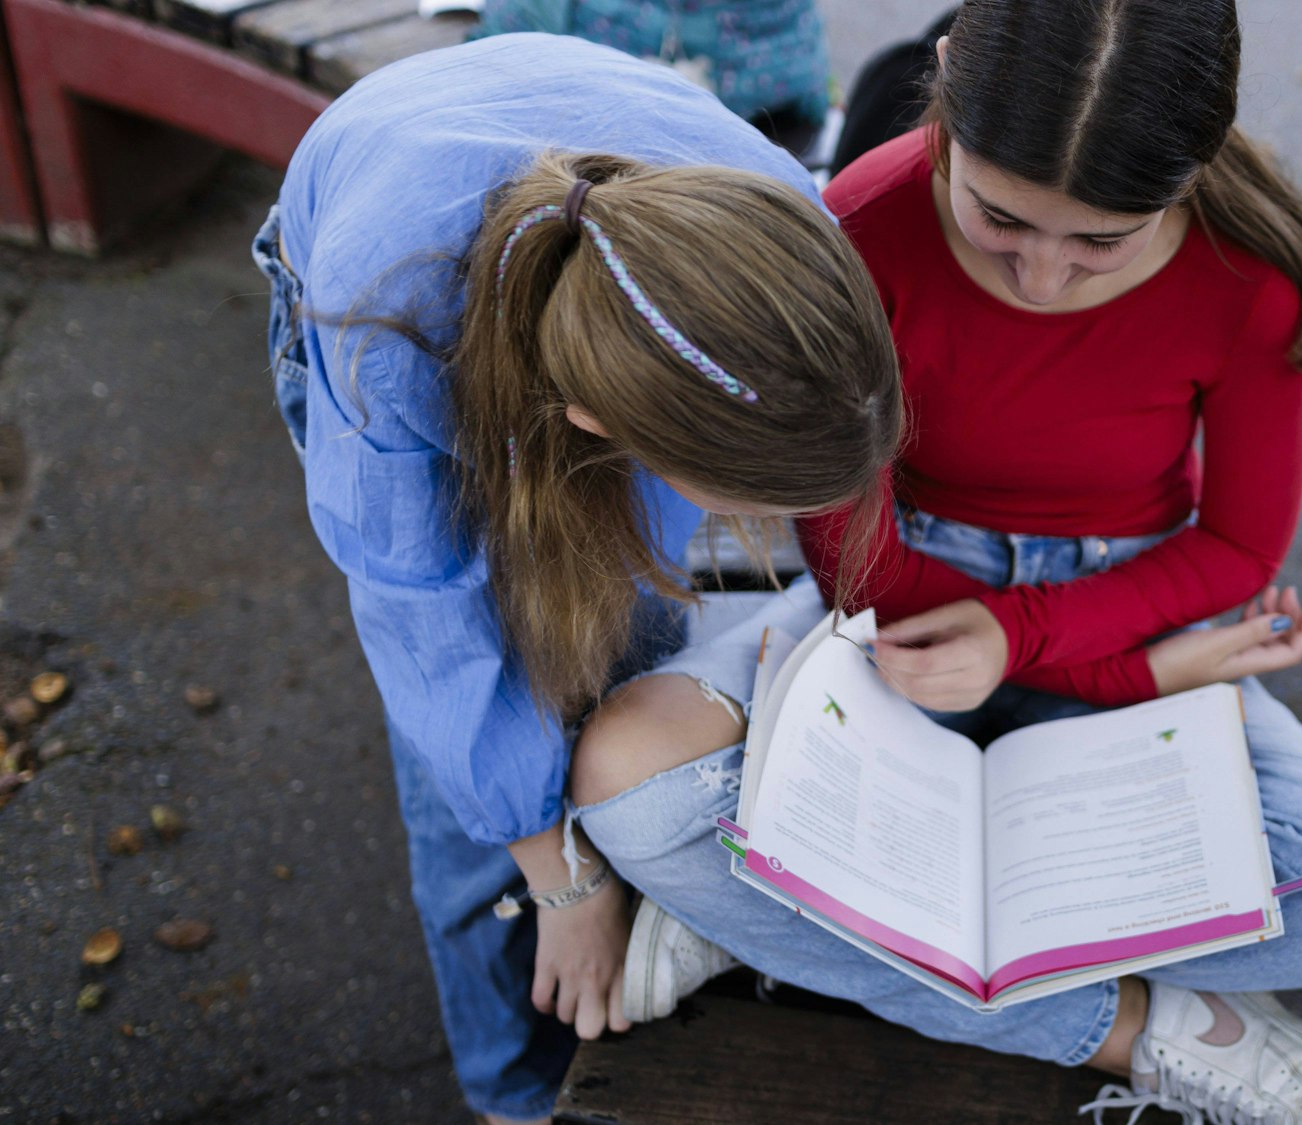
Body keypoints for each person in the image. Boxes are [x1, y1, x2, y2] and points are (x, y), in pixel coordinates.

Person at [570, 3, 1302, 1123]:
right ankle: (1145, 1029)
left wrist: (1036, 647)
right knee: (629, 779)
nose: (1042, 279)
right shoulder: (859, 222)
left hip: (1118, 603)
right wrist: (1112, 678)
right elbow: (843, 533)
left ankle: (787, 916)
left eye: (1101, 242)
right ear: (943, 103)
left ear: (1191, 169)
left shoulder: (1252, 277)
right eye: (999, 221)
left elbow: (1236, 548)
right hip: (889, 599)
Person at [251, 33, 899, 1125]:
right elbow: (429, 637)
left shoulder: (788, 238)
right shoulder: (383, 347)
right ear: (595, 428)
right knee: (468, 788)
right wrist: (556, 879)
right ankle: (512, 1093)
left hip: (597, 243)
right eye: (733, 494)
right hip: (390, 264)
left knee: (621, 642)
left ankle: (621, 932)